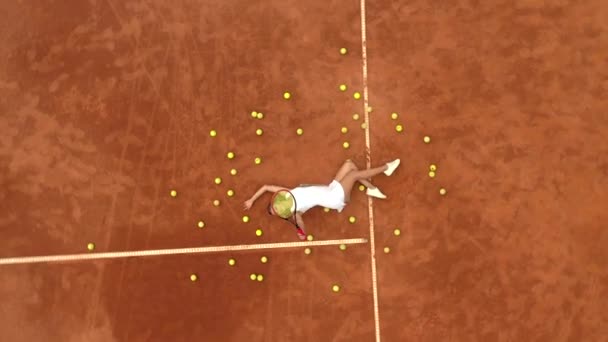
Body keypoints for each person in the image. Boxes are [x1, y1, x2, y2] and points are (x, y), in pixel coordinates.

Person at [243, 159, 401, 240]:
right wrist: (302, 233)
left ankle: (372, 190)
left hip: (330, 188)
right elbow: (301, 224)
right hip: (335, 198)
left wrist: (251, 199)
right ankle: (387, 168)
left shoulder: (287, 194)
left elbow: (266, 187)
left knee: (350, 164)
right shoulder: (296, 212)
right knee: (353, 175)